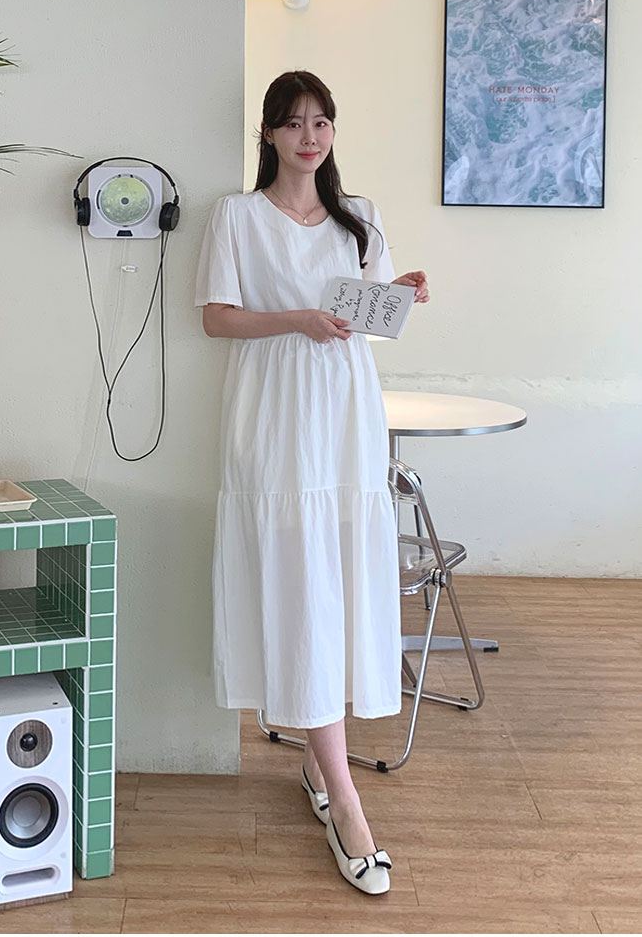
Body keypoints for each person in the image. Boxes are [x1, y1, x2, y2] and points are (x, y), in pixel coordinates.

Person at [194, 70, 429, 896]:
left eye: (321, 122)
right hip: (274, 415)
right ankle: (345, 800)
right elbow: (216, 317)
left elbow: (369, 322)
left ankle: (323, 767)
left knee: (341, 579)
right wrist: (296, 318)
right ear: (268, 133)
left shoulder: (359, 217)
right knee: (303, 586)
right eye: (294, 123)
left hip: (346, 413)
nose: (309, 137)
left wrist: (399, 295)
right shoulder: (237, 215)